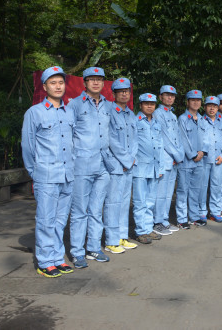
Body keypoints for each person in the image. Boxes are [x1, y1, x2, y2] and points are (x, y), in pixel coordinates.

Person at [21, 66, 75, 277]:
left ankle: (57, 258)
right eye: (53, 83)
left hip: (67, 175)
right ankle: (45, 261)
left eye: (61, 82)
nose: (58, 86)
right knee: (45, 219)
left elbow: (72, 143)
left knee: (61, 219)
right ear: (44, 87)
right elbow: (28, 146)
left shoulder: (68, 111)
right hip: (46, 175)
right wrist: (35, 172)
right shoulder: (34, 112)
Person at [67, 67, 113, 268]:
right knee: (79, 210)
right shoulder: (74, 105)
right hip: (82, 164)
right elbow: (67, 135)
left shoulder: (108, 106)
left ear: (103, 83)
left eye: (99, 79)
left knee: (96, 209)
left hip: (103, 165)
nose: (96, 82)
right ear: (84, 83)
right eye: (91, 79)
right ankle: (77, 252)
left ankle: (94, 247)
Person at [104, 78, 139, 254]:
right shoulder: (109, 111)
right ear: (114, 94)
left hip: (129, 165)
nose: (125, 94)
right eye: (121, 91)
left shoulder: (131, 114)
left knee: (125, 202)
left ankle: (121, 236)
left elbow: (135, 140)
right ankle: (111, 240)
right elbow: (110, 139)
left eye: (127, 91)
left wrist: (131, 159)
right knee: (113, 202)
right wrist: (125, 160)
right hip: (116, 165)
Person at [131, 93, 165, 244]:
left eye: (152, 103)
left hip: (154, 168)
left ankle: (148, 228)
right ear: (141, 105)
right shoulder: (135, 121)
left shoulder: (156, 123)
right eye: (146, 103)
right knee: (140, 201)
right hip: (140, 168)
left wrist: (161, 167)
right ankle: (140, 231)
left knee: (150, 201)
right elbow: (131, 143)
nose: (150, 106)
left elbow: (160, 145)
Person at [153, 85, 184, 236]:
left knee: (168, 193)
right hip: (165, 159)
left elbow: (177, 138)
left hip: (174, 160)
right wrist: (177, 156)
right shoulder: (158, 113)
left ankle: (164, 220)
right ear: (160, 97)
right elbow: (164, 138)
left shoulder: (173, 115)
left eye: (172, 95)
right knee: (160, 192)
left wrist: (178, 156)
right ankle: (157, 221)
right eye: (167, 95)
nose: (170, 97)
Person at [177, 90, 207, 228]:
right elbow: (183, 139)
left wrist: (202, 152)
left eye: (198, 100)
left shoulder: (202, 119)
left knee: (196, 189)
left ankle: (194, 217)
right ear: (188, 102)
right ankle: (182, 219)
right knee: (183, 190)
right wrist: (193, 154)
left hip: (200, 161)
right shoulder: (182, 119)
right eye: (193, 100)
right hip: (187, 161)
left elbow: (207, 138)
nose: (196, 102)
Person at [200, 96, 222, 222]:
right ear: (205, 107)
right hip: (204, 160)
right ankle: (201, 212)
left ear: (218, 108)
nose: (212, 108)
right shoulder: (200, 121)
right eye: (209, 105)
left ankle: (215, 211)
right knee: (202, 186)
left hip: (218, 160)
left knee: (216, 186)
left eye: (215, 106)